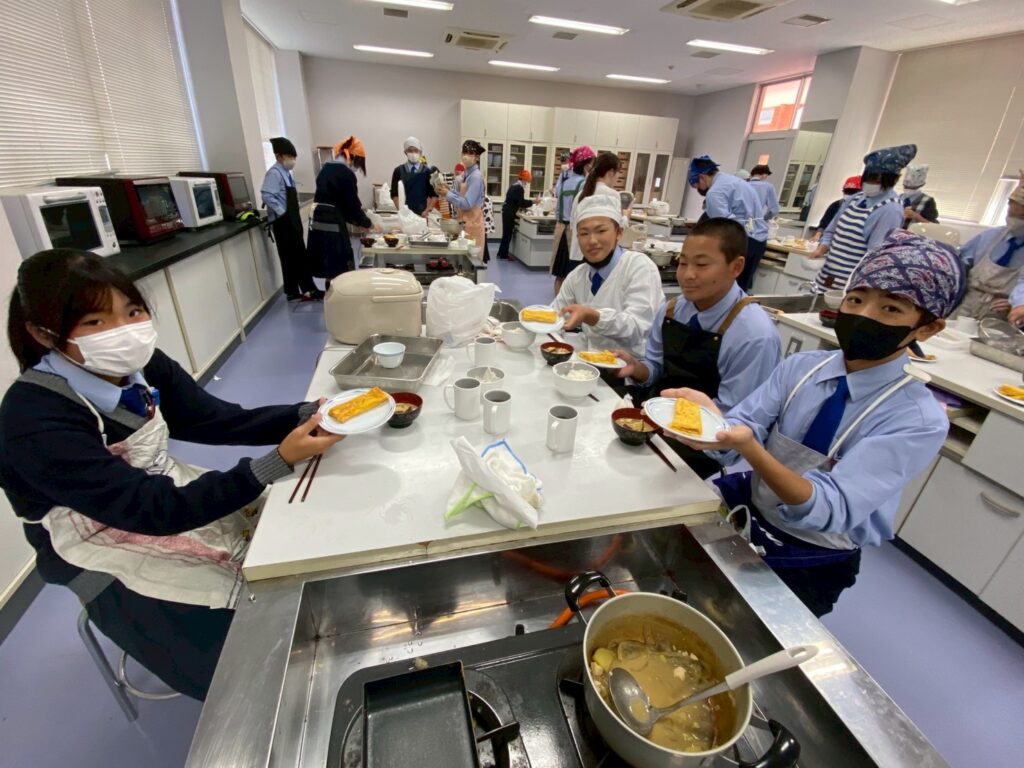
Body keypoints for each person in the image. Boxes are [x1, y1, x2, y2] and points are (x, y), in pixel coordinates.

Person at [0, 250, 344, 698]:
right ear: (42, 333)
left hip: (162, 492)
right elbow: (148, 509)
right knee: (243, 660)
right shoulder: (32, 417)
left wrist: (308, 412)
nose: (123, 331)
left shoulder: (138, 368)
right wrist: (274, 462)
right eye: (95, 322)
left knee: (291, 548)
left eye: (132, 312)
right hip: (93, 546)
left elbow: (213, 419)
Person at [671, 231, 965, 616]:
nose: (864, 316)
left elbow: (829, 506)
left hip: (814, 555)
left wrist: (748, 447)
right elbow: (741, 427)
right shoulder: (801, 369)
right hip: (752, 513)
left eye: (891, 309)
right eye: (856, 300)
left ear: (927, 328)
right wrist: (709, 421)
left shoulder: (916, 419)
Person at [617, 218, 782, 478]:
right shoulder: (673, 310)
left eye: (702, 265)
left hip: (703, 448)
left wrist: (683, 428)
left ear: (736, 267)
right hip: (655, 419)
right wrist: (638, 369)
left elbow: (733, 426)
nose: (688, 275)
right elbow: (656, 367)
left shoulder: (754, 335)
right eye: (683, 263)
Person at [553, 194, 664, 358]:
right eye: (584, 233)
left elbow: (638, 327)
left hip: (631, 365)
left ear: (619, 232)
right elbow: (556, 314)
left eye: (601, 231)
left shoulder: (639, 267)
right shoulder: (578, 275)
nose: (592, 241)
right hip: (591, 359)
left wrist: (593, 316)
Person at [809, 144, 916, 293]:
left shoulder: (890, 209)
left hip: (850, 285)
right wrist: (822, 249)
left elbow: (874, 255)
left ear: (894, 179)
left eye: (878, 180)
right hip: (825, 277)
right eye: (869, 177)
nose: (871, 183)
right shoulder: (855, 198)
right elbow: (830, 231)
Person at [688, 155, 767, 292]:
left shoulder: (715, 193)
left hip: (741, 242)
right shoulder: (735, 181)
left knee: (727, 289)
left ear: (702, 177)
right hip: (759, 241)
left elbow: (724, 228)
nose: (699, 190)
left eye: (697, 186)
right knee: (741, 288)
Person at [954, 171, 1024, 323]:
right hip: (966, 305)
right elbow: (958, 262)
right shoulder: (990, 236)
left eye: (1021, 217)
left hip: (1001, 318)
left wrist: (1017, 305)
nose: (1015, 221)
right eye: (1011, 215)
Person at [307, 135, 378, 282]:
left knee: (328, 269)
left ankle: (330, 292)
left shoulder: (326, 169)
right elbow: (352, 206)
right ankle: (339, 294)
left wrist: (359, 221)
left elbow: (339, 202)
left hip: (318, 225)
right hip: (333, 226)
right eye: (358, 164)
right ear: (352, 156)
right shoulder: (345, 173)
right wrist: (368, 224)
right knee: (340, 268)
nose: (357, 168)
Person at [260, 137, 320, 302]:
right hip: (283, 222)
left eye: (294, 157)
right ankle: (300, 290)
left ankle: (303, 289)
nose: (292, 160)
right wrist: (282, 212)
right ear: (279, 156)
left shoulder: (286, 173)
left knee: (298, 254)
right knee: (290, 257)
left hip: (292, 220)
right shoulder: (274, 173)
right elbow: (267, 195)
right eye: (289, 156)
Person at [551, 146, 596, 294]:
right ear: (586, 165)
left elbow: (557, 201)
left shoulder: (564, 181)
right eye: (591, 163)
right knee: (575, 276)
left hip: (561, 231)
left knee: (559, 275)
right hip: (574, 233)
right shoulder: (584, 184)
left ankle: (558, 303)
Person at [440, 139, 490, 263]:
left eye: (470, 153)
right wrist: (449, 191)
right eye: (464, 152)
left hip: (472, 225)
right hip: (466, 223)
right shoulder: (467, 174)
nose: (466, 156)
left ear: (477, 157)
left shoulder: (475, 177)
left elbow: (467, 204)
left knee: (471, 264)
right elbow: (463, 196)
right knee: (463, 262)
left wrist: (448, 195)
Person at [569, 151, 621, 263]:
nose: (618, 177)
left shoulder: (581, 194)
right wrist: (626, 216)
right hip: (597, 254)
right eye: (618, 173)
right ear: (611, 172)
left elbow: (573, 225)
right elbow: (618, 228)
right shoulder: (612, 195)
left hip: (578, 253)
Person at [389, 136, 436, 216]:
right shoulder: (398, 171)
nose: (413, 153)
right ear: (405, 152)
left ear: (420, 152)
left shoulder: (427, 172)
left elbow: (434, 195)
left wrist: (427, 211)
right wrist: (401, 211)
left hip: (422, 214)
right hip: (405, 214)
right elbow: (394, 194)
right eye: (410, 151)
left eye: (416, 150)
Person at [497, 169, 533, 261]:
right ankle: (503, 255)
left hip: (506, 211)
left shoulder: (513, 186)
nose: (527, 183)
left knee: (506, 234)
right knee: (508, 234)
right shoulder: (519, 188)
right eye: (527, 181)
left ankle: (501, 253)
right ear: (524, 179)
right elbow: (521, 203)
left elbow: (515, 201)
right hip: (509, 212)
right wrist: (532, 202)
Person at [811, 176, 862, 241]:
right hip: (830, 241)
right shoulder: (836, 205)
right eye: (846, 191)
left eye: (852, 192)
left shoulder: (864, 210)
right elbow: (824, 224)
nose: (848, 194)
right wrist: (817, 235)